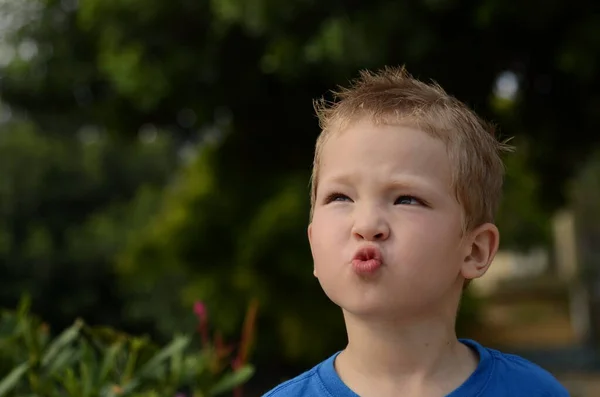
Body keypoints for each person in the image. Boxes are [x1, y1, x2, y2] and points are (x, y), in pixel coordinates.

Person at [263, 66, 570, 397]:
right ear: (313, 245)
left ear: (475, 250)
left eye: (405, 199)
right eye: (340, 197)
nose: (366, 225)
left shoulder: (532, 392)